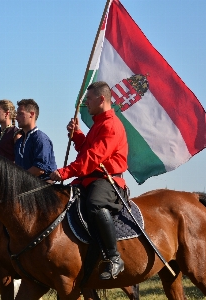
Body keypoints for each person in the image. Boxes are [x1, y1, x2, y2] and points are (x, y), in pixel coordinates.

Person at [50, 81, 128, 280]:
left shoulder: (111, 125)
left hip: (107, 180)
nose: (86, 104)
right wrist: (77, 135)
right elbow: (87, 150)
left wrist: (64, 172)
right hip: (88, 180)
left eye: (89, 99)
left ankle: (114, 257)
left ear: (102, 99)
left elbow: (92, 159)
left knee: (95, 204)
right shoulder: (98, 124)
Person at [15, 99, 56, 180]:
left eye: (20, 114)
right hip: (25, 186)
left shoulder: (40, 139)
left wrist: (19, 178)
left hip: (42, 186)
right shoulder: (19, 142)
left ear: (31, 114)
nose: (16, 118)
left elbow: (40, 169)